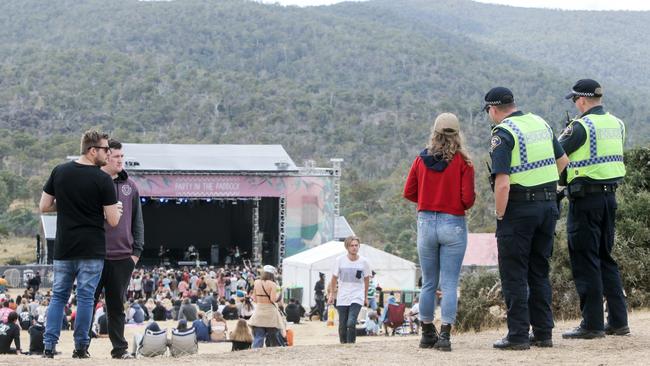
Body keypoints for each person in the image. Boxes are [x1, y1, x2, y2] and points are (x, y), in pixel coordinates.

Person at [484, 87, 569, 350]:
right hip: (547, 206)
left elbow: (502, 184)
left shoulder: (503, 133)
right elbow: (563, 160)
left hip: (518, 210)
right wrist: (543, 184)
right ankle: (543, 333)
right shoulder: (539, 122)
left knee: (514, 274)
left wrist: (500, 214)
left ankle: (518, 335)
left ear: (493, 109)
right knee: (538, 271)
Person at [39, 130, 122, 358]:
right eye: (105, 149)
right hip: (91, 248)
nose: (108, 153)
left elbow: (44, 206)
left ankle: (48, 346)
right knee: (85, 298)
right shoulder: (102, 179)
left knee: (58, 297)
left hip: (64, 247)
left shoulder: (60, 171)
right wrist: (108, 210)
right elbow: (113, 220)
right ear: (92, 150)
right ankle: (80, 347)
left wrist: (65, 205)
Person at [558, 79, 630, 339]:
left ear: (583, 100)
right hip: (610, 198)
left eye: (575, 100)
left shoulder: (580, 126)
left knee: (585, 259)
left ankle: (592, 324)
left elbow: (555, 152)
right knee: (605, 257)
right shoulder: (617, 123)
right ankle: (619, 322)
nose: (575, 104)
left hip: (585, 200)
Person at [403, 112, 476, 351]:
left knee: (428, 283)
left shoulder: (420, 160)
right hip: (453, 223)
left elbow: (409, 192)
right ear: (457, 135)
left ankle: (426, 333)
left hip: (426, 222)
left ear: (434, 133)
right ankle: (444, 336)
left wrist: (427, 199)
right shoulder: (464, 163)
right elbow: (468, 200)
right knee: (449, 283)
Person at [89, 138, 145, 359]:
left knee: (116, 307)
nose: (120, 160)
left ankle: (119, 350)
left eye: (123, 156)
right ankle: (81, 347)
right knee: (88, 303)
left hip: (123, 257)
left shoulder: (130, 186)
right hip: (95, 254)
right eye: (116, 157)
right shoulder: (93, 183)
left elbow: (137, 221)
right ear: (105, 157)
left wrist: (136, 253)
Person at [328, 235, 371, 344]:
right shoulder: (340, 260)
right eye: (352, 245)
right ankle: (343, 344)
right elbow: (334, 278)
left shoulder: (364, 262)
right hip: (343, 296)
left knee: (351, 322)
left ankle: (351, 345)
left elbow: (366, 279)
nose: (354, 248)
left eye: (356, 245)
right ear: (347, 247)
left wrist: (365, 297)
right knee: (342, 324)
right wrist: (332, 295)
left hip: (357, 296)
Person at [249, 265, 285, 348]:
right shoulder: (273, 284)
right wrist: (280, 294)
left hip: (259, 311)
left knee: (258, 337)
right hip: (270, 313)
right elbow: (273, 299)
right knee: (273, 337)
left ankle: (255, 353)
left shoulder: (256, 282)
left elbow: (254, 299)